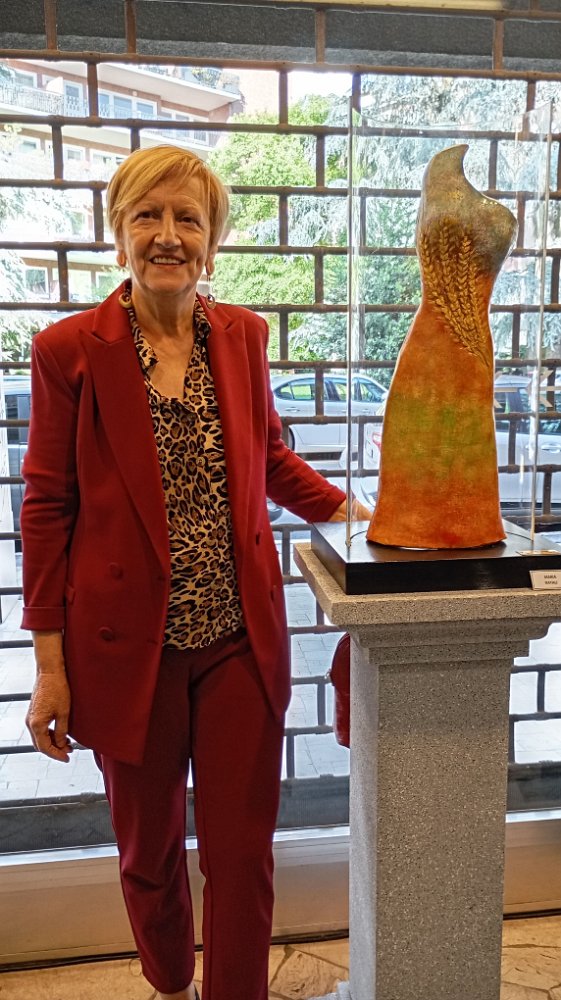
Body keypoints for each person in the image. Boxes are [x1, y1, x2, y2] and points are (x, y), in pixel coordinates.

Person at [22, 145, 368, 1000]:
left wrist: (357, 516)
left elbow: (270, 458)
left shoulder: (243, 336)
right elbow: (47, 506)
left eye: (188, 218)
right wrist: (50, 668)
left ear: (212, 240)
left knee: (241, 853)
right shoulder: (68, 350)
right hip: (121, 649)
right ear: (118, 234)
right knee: (147, 854)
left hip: (235, 642)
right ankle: (171, 979)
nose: (168, 235)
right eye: (148, 215)